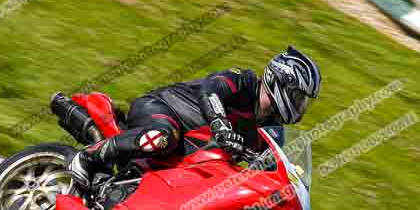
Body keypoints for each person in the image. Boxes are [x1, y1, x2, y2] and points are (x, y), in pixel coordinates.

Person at [67, 46, 321, 187]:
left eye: (304, 102)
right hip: (163, 109)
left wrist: (290, 179)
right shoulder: (243, 81)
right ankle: (86, 158)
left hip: (189, 155)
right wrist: (221, 125)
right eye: (299, 97)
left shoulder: (270, 129)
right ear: (281, 82)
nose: (300, 106)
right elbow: (211, 90)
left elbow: (272, 164)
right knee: (163, 137)